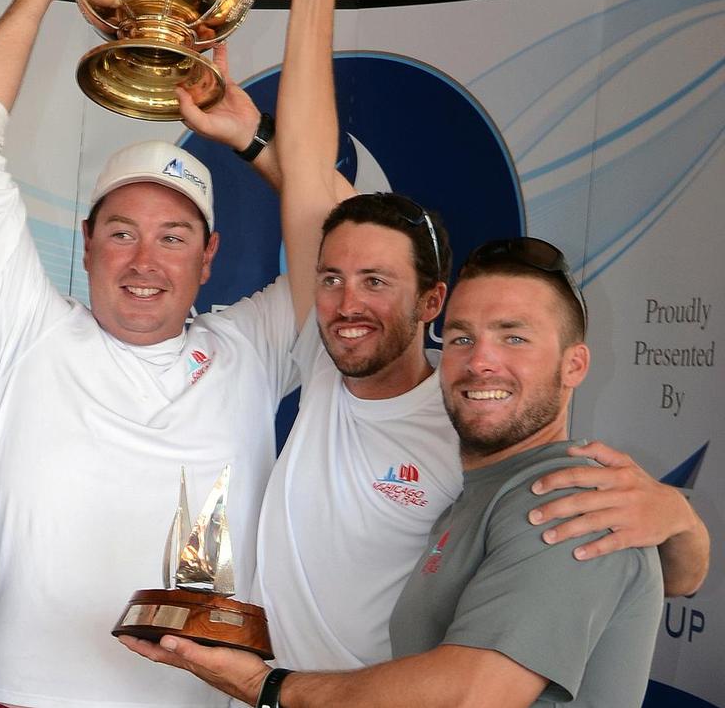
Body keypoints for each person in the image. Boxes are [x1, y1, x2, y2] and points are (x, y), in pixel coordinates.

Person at [177, 0, 710, 674]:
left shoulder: (470, 423)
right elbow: (318, 167)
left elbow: (658, 568)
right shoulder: (328, 353)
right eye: (331, 278)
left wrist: (680, 520)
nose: (348, 302)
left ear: (432, 303)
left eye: (377, 283)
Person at [0, 0, 307, 708]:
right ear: (88, 242)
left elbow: (357, 252)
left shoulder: (250, 346)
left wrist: (253, 140)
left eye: (173, 237)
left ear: (208, 257)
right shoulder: (28, 333)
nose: (145, 261)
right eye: (123, 233)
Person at [118, 236, 668, 707]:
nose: (481, 360)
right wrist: (686, 532)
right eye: (461, 338)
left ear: (574, 364)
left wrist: (269, 687)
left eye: (514, 337)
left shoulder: (579, 502)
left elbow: (473, 694)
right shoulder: (481, 492)